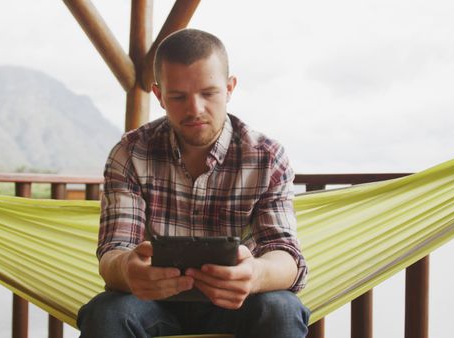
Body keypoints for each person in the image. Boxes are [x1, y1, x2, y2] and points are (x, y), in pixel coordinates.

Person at [77, 28, 310, 338]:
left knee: (282, 309)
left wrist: (254, 274)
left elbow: (286, 255)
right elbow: (114, 252)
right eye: (178, 96)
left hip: (239, 300)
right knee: (105, 313)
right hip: (152, 302)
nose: (195, 109)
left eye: (208, 93)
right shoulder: (130, 153)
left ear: (229, 88)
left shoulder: (266, 157)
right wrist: (129, 271)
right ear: (159, 96)